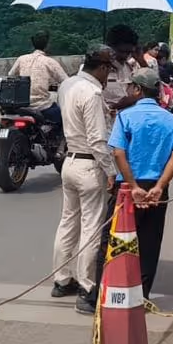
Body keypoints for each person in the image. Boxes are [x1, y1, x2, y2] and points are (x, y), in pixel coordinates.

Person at [83, 68, 173, 308]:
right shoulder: (170, 119)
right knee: (150, 242)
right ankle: (142, 296)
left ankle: (102, 295)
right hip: (157, 189)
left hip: (128, 189)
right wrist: (160, 186)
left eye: (131, 86)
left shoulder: (125, 117)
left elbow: (118, 153)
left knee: (112, 241)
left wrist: (132, 185)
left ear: (138, 89)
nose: (129, 90)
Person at [52, 46, 118, 308]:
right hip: (90, 166)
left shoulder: (67, 85)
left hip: (70, 161)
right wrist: (111, 171)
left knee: (68, 222)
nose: (108, 77)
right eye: (109, 71)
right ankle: (87, 285)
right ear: (101, 68)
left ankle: (62, 279)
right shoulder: (92, 92)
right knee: (91, 227)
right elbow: (97, 140)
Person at [8, 31, 68, 124]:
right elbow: (66, 81)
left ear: (33, 44)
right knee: (62, 118)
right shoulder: (49, 62)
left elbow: (10, 76)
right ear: (47, 45)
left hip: (21, 104)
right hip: (41, 105)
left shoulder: (21, 59)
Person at [103, 24, 141, 127]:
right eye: (121, 51)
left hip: (126, 127)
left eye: (128, 52)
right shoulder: (94, 72)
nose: (124, 56)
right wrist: (117, 106)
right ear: (109, 46)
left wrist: (141, 60)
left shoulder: (129, 68)